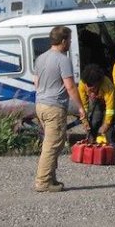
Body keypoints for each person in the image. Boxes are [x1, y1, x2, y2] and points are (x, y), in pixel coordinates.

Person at [33, 26, 88, 192]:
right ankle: (43, 182)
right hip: (54, 106)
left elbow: (36, 82)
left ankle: (51, 179)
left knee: (53, 143)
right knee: (52, 144)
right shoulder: (63, 59)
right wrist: (81, 107)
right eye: (70, 40)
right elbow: (70, 86)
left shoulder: (41, 58)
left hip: (40, 104)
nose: (70, 43)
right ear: (63, 41)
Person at [78, 63, 115, 149]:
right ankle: (91, 146)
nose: (91, 91)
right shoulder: (82, 84)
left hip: (113, 102)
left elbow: (110, 108)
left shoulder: (107, 84)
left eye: (93, 88)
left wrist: (106, 124)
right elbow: (83, 105)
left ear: (98, 83)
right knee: (93, 123)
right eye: (89, 89)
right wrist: (85, 121)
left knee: (109, 129)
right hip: (97, 101)